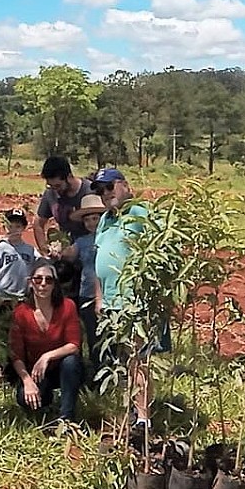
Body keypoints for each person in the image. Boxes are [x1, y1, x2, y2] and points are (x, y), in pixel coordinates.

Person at [92, 168, 151, 433]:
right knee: (120, 359)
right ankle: (125, 411)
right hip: (112, 302)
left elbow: (158, 250)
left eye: (109, 187)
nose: (105, 194)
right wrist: (99, 298)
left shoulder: (141, 212)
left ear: (125, 185)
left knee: (139, 358)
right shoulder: (105, 219)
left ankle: (143, 417)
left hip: (135, 299)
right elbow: (98, 259)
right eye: (100, 190)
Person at [9, 258, 83, 423]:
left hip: (61, 368)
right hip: (36, 372)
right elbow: (16, 354)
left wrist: (47, 356)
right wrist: (27, 381)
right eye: (38, 279)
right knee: (23, 397)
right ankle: (45, 400)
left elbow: (74, 345)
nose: (43, 284)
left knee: (71, 362)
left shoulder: (67, 306)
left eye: (48, 280)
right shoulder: (21, 313)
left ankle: (67, 418)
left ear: (55, 284)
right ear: (30, 283)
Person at [65, 193, 106, 368]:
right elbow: (68, 254)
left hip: (109, 293)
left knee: (111, 336)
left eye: (95, 218)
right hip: (87, 294)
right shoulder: (82, 242)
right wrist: (56, 250)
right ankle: (97, 373)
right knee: (93, 336)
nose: (92, 223)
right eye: (88, 219)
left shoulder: (110, 237)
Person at [34, 156, 92, 254]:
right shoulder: (50, 193)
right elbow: (38, 224)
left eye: (58, 186)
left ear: (69, 177)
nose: (55, 190)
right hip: (63, 250)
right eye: (50, 186)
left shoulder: (89, 191)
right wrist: (45, 249)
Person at [0, 208, 37, 303]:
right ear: (4, 227)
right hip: (2, 297)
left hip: (21, 297)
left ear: (24, 228)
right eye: (10, 226)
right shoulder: (1, 247)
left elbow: (41, 262)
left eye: (18, 226)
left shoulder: (30, 250)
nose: (13, 230)